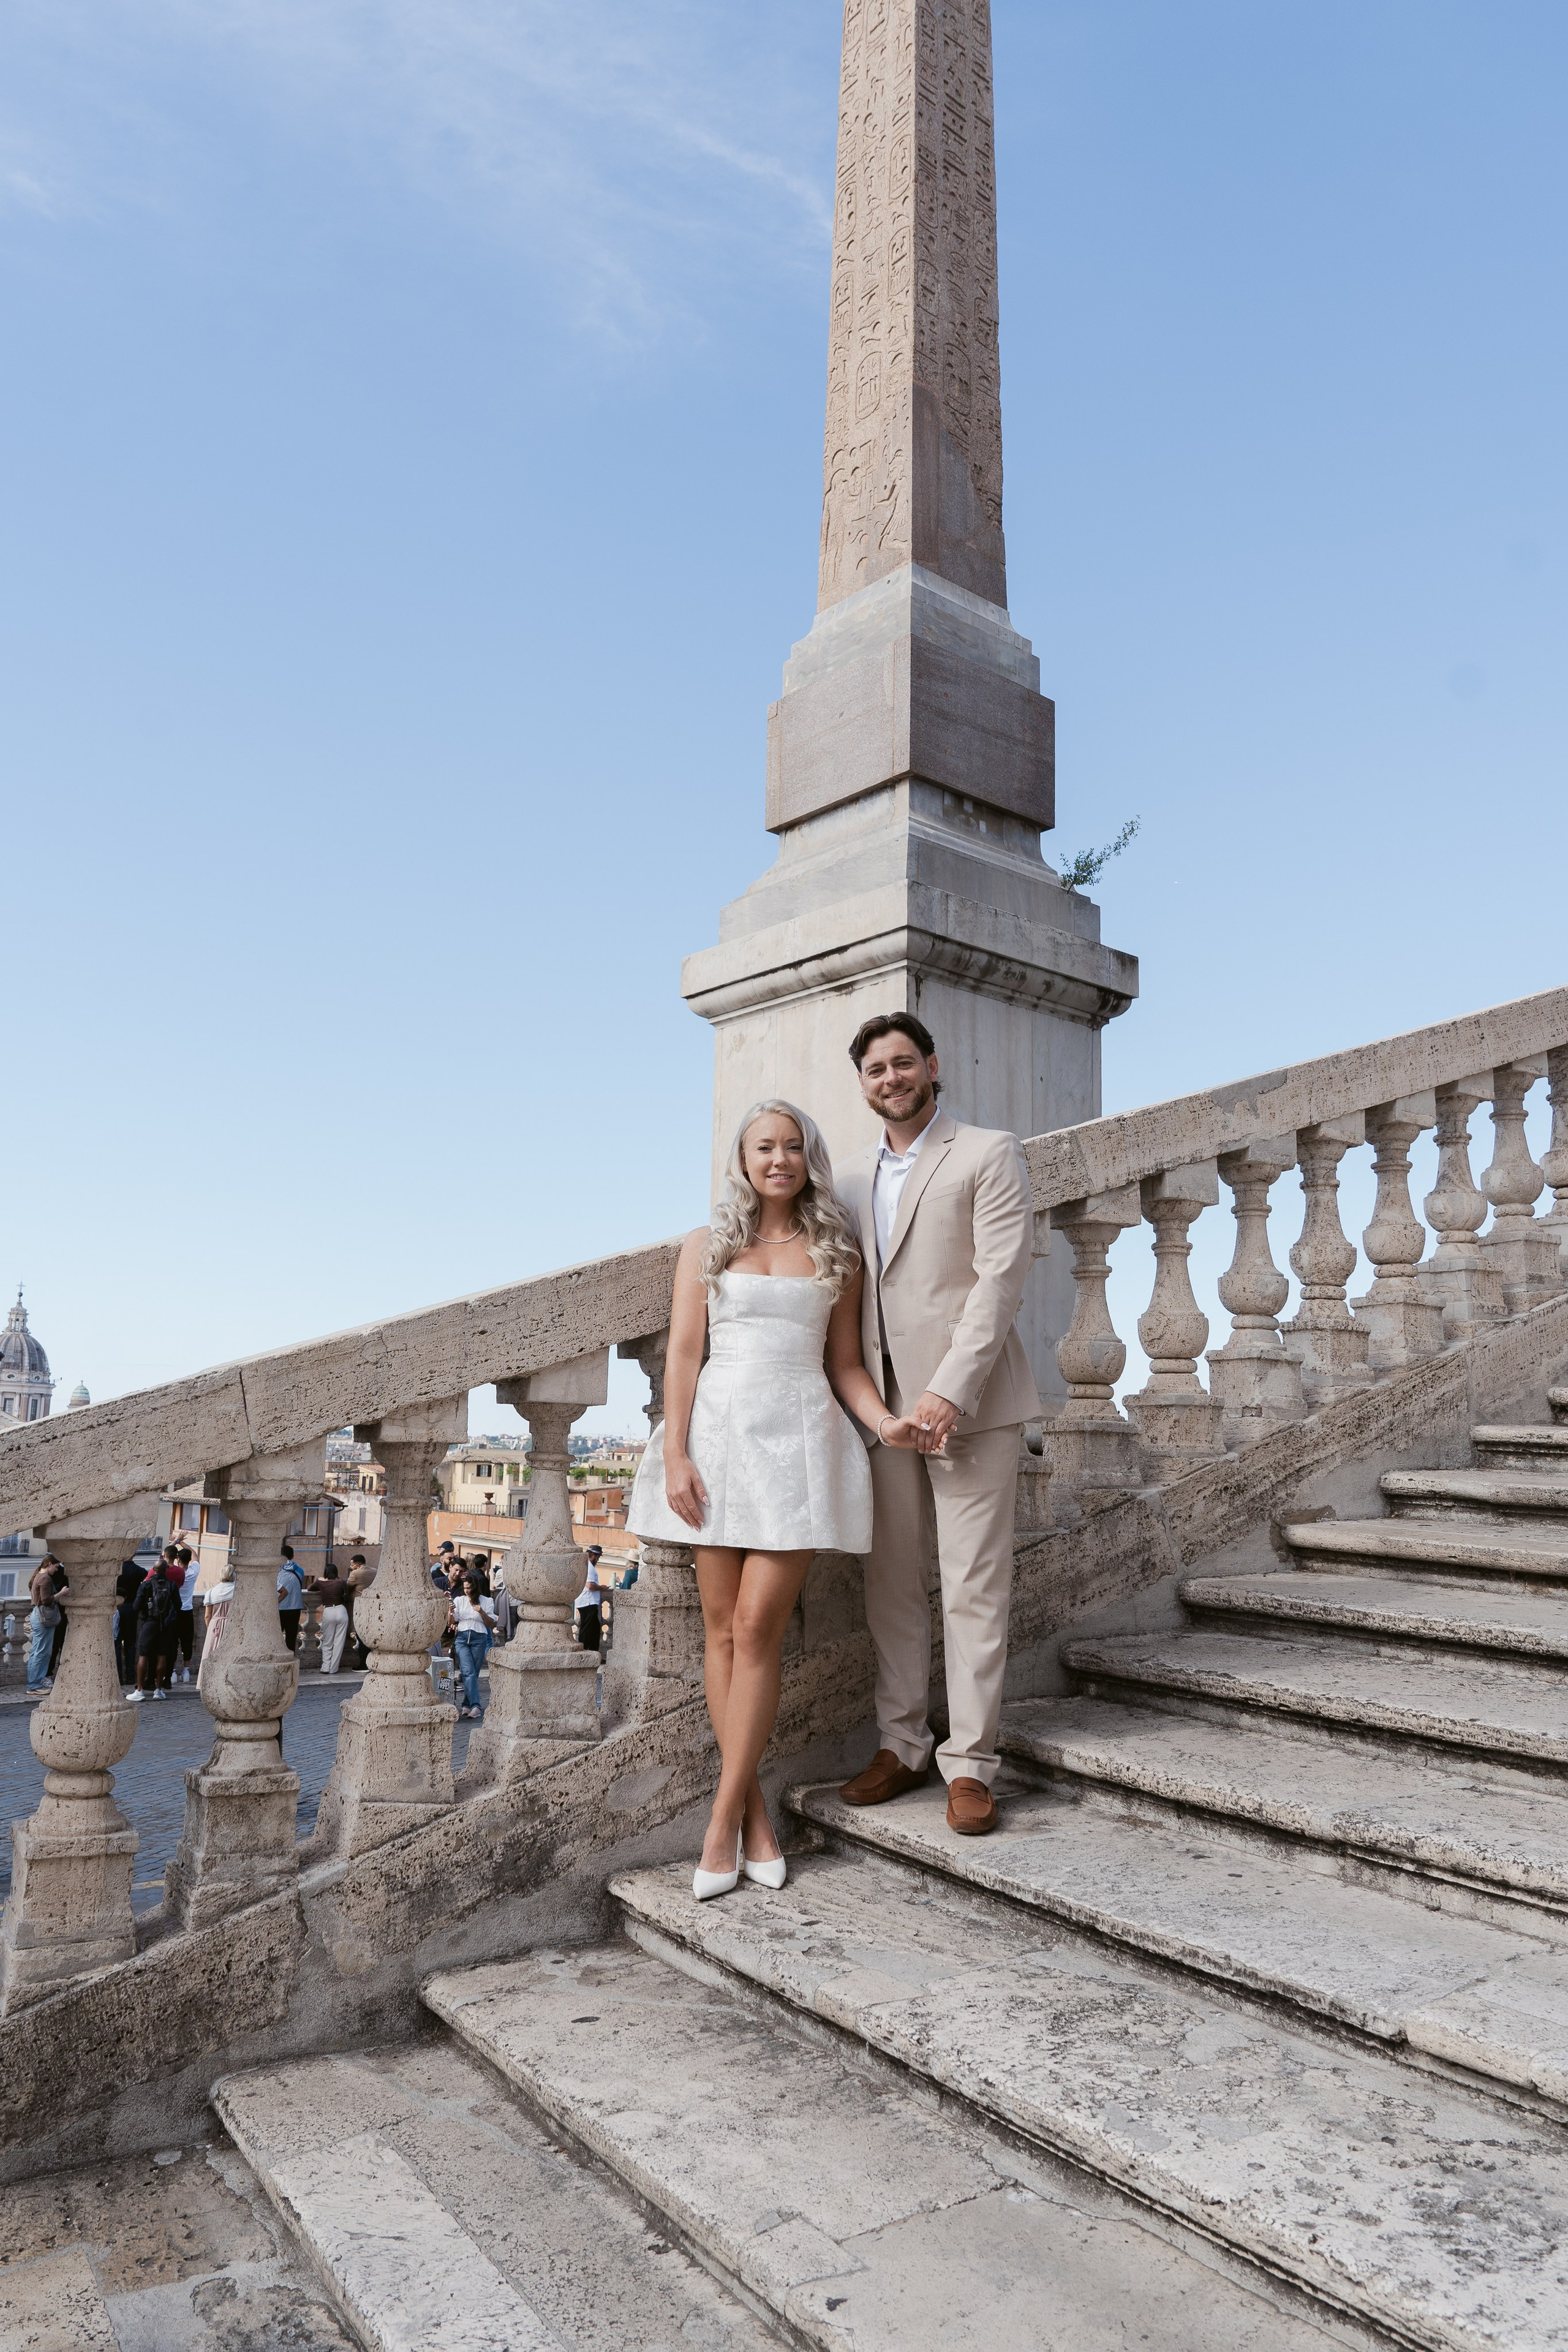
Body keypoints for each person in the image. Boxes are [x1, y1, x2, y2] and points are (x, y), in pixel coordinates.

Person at [627, 1098, 928, 1902]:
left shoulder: (836, 1250)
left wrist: (884, 1423)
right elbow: (683, 1356)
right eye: (764, 1146)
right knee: (722, 1629)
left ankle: (718, 1823)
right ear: (743, 1159)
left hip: (797, 1443)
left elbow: (845, 1365)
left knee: (759, 1626)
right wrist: (677, 1453)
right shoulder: (706, 1245)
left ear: (808, 1158)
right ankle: (753, 1817)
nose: (779, 1159)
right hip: (716, 1440)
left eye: (793, 1146)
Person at [831, 1013, 1039, 1839]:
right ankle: (902, 1745)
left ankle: (971, 1764)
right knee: (890, 1589)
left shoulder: (987, 1152)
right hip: (882, 1414)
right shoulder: (848, 1177)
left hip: (971, 1408)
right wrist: (880, 1411)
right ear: (863, 1083)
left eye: (903, 1062)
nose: (892, 1078)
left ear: (931, 1065)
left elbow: (1000, 1281)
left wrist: (950, 1391)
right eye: (876, 1069)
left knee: (973, 1588)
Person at [128, 1557, 183, 1701]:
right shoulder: (172, 1585)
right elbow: (179, 1606)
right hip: (165, 1624)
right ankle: (158, 1690)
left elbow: (136, 1607)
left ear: (153, 1570)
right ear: (166, 1570)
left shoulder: (146, 1585)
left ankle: (140, 1691)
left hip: (149, 1623)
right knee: (162, 1656)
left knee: (143, 1656)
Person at [448, 1574, 496, 1719]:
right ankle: (476, 1706)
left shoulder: (486, 1601)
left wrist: (482, 1612)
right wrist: (450, 1612)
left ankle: (466, 1704)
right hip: (462, 1638)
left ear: (474, 1588)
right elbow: (451, 1622)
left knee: (473, 1673)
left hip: (479, 1637)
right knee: (468, 1672)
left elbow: (491, 1623)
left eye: (469, 1588)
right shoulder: (459, 1600)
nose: (467, 1591)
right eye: (465, 1588)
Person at [24, 1556, 62, 1695]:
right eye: (56, 1567)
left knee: (36, 1652)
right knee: (42, 1653)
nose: (56, 1570)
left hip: (37, 1616)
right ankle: (35, 1685)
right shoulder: (45, 1579)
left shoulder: (38, 1576)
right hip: (43, 1618)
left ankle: (33, 1684)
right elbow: (46, 1600)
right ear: (50, 1564)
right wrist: (61, 1593)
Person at [306, 1561, 352, 1674]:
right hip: (341, 1611)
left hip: (329, 1611)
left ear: (325, 1572)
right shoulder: (342, 1582)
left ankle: (325, 1667)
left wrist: (320, 1579)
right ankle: (334, 1669)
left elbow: (310, 1588)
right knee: (339, 1642)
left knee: (327, 1641)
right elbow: (347, 1597)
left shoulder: (320, 1582)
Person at [114, 1558, 143, 1689]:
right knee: (130, 1643)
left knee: (117, 1644)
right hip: (132, 1608)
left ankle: (119, 1676)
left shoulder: (116, 1569)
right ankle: (131, 1676)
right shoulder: (139, 1571)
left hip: (117, 1607)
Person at [174, 1545, 201, 1683]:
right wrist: (183, 1542)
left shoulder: (174, 1573)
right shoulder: (193, 1572)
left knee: (173, 1641)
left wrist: (176, 1541)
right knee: (187, 1642)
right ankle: (186, 1671)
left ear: (178, 1559)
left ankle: (172, 1671)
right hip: (188, 1610)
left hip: (175, 1611)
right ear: (189, 1560)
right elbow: (195, 1554)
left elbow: (164, 1556)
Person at [346, 1551, 376, 1668]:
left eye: (352, 1565)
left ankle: (363, 1664)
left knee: (361, 1635)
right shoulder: (375, 1571)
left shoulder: (355, 1573)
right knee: (370, 1634)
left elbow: (347, 1587)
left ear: (358, 1565)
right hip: (372, 1606)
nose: (351, 1567)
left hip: (359, 1607)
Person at [573, 1550, 604, 1654]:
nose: (598, 1559)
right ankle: (585, 1652)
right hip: (588, 1603)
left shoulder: (585, 1565)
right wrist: (601, 1588)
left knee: (594, 1629)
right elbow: (590, 1585)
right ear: (593, 1555)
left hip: (587, 1602)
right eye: (598, 1556)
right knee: (587, 1629)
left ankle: (592, 1652)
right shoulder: (589, 1567)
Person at [277, 1544, 304, 1651]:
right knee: (291, 1638)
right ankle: (291, 1658)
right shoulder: (300, 1571)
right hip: (295, 1607)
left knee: (276, 1637)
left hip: (279, 1607)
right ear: (293, 1556)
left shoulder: (276, 1571)